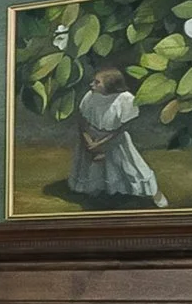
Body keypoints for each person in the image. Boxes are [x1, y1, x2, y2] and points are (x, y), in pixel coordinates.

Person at [69, 67, 169, 207]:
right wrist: (88, 141)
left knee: (133, 168)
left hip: (115, 139)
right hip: (91, 137)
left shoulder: (125, 100)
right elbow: (82, 121)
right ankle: (100, 191)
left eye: (97, 82)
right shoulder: (90, 96)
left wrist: (101, 144)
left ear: (110, 86)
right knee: (96, 168)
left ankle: (154, 193)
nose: (92, 85)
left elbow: (122, 129)